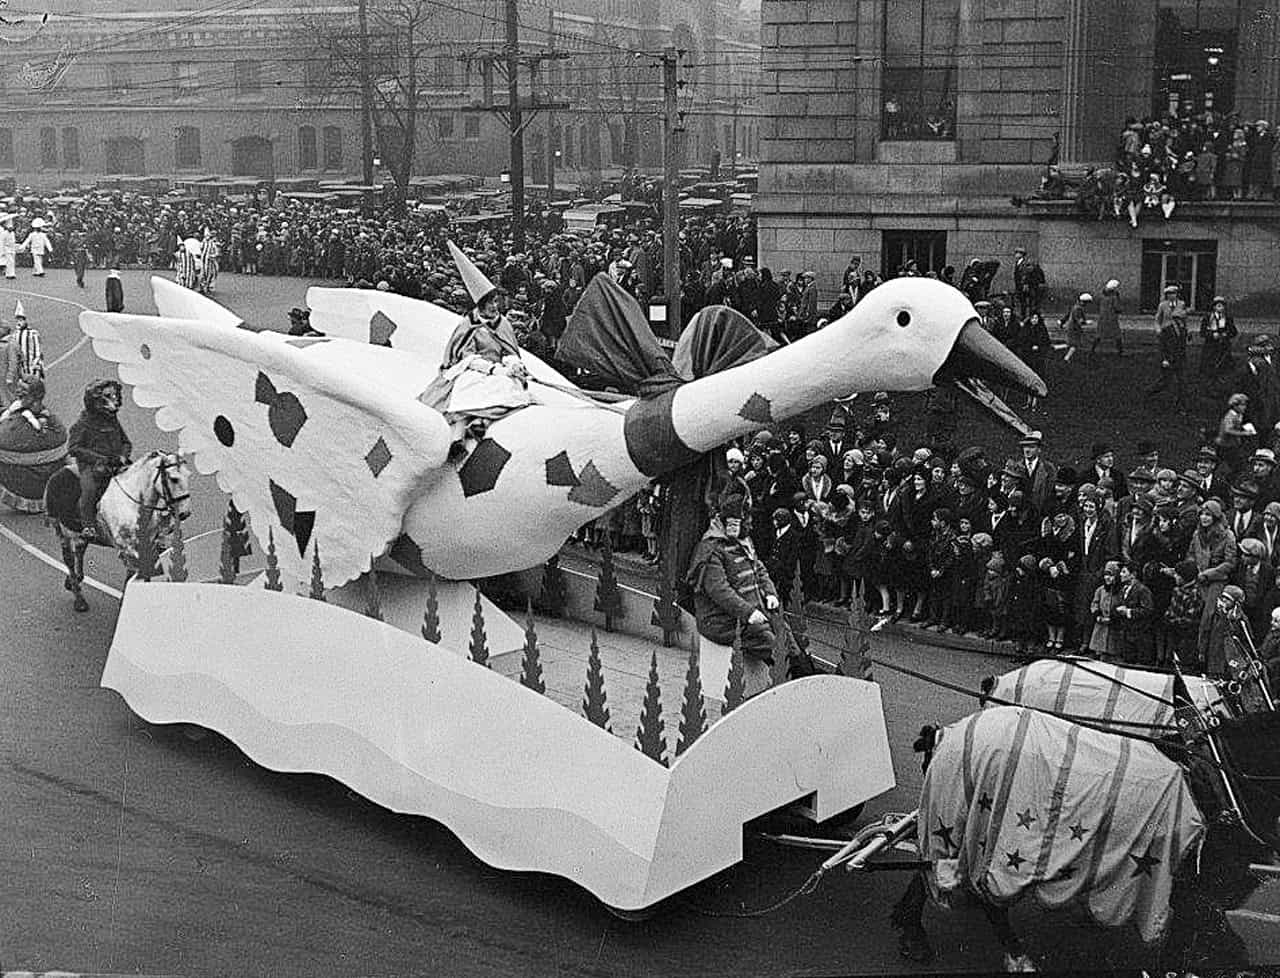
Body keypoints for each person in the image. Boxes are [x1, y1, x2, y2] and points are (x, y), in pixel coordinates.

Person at [421, 241, 532, 459]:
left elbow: (508, 350)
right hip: (475, 368)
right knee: (466, 388)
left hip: (501, 369)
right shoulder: (468, 325)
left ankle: (481, 422)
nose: (494, 307)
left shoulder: (504, 323)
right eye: (489, 304)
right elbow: (467, 357)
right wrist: (492, 370)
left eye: (496, 303)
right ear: (480, 305)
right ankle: (457, 437)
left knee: (510, 388)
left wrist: (513, 365)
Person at [686, 493, 781, 699]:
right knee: (772, 645)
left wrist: (771, 593)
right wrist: (748, 613)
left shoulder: (744, 541)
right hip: (724, 620)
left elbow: (760, 569)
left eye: (737, 523)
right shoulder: (711, 548)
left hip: (754, 612)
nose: (733, 528)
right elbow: (720, 591)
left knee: (788, 636)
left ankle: (811, 678)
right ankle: (793, 686)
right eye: (729, 523)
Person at [68, 379, 132, 536]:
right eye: (109, 396)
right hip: (92, 467)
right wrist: (99, 458)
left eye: (115, 395)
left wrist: (123, 456)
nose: (115, 400)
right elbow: (74, 448)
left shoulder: (112, 421)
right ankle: (88, 525)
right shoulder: (83, 424)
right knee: (89, 489)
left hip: (116, 463)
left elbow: (125, 442)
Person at [1148, 285, 1190, 413]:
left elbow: (1184, 338)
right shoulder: (1163, 306)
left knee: (1182, 381)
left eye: (1174, 293)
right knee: (1165, 381)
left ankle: (1181, 404)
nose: (1172, 295)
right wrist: (1158, 329)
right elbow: (1158, 320)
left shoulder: (1181, 308)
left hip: (1179, 357)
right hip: (1168, 349)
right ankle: (1149, 393)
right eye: (1169, 294)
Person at [4, 301, 43, 401]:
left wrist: (37, 369)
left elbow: (38, 352)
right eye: (17, 319)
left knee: (35, 391)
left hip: (32, 368)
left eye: (21, 319)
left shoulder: (33, 334)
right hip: (21, 370)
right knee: (23, 393)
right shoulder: (14, 336)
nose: (19, 322)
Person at [1200, 295, 1237, 394]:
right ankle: (1209, 388)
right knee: (1210, 368)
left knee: (1223, 368)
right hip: (1211, 347)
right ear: (1214, 307)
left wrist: (1226, 334)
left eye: (1222, 306)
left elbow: (1234, 332)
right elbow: (1202, 332)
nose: (1220, 308)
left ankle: (1221, 388)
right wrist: (1212, 335)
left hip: (1223, 348)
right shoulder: (1208, 318)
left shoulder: (1228, 319)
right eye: (1218, 306)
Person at [1093, 279, 1122, 356]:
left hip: (1102, 318)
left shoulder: (1102, 296)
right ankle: (1120, 351)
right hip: (1112, 318)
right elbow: (1117, 308)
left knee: (1099, 334)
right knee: (1117, 335)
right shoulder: (1114, 297)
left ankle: (1092, 349)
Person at [1058, 292, 1090, 361]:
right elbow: (1079, 320)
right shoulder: (1078, 309)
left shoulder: (1075, 307)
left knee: (1070, 344)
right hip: (1074, 329)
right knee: (1074, 345)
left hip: (1071, 328)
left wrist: (1062, 322)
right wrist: (1086, 322)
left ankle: (1056, 348)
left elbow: (1068, 315)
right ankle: (1066, 358)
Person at [0, 214, 15, 280]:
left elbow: (13, 241)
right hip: (6, 249)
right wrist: (2, 251)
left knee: (12, 261)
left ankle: (11, 273)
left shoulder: (12, 233)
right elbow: (2, 242)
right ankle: (9, 274)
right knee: (9, 261)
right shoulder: (4, 233)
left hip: (12, 249)